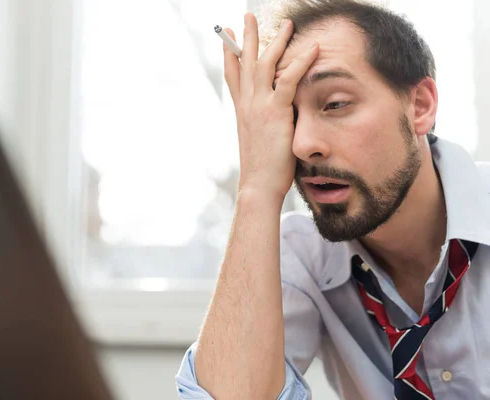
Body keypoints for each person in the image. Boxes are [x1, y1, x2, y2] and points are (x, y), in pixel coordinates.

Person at [175, 0, 490, 399]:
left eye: (335, 103)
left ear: (420, 106)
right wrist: (255, 189)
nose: (303, 144)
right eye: (286, 116)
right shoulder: (300, 254)